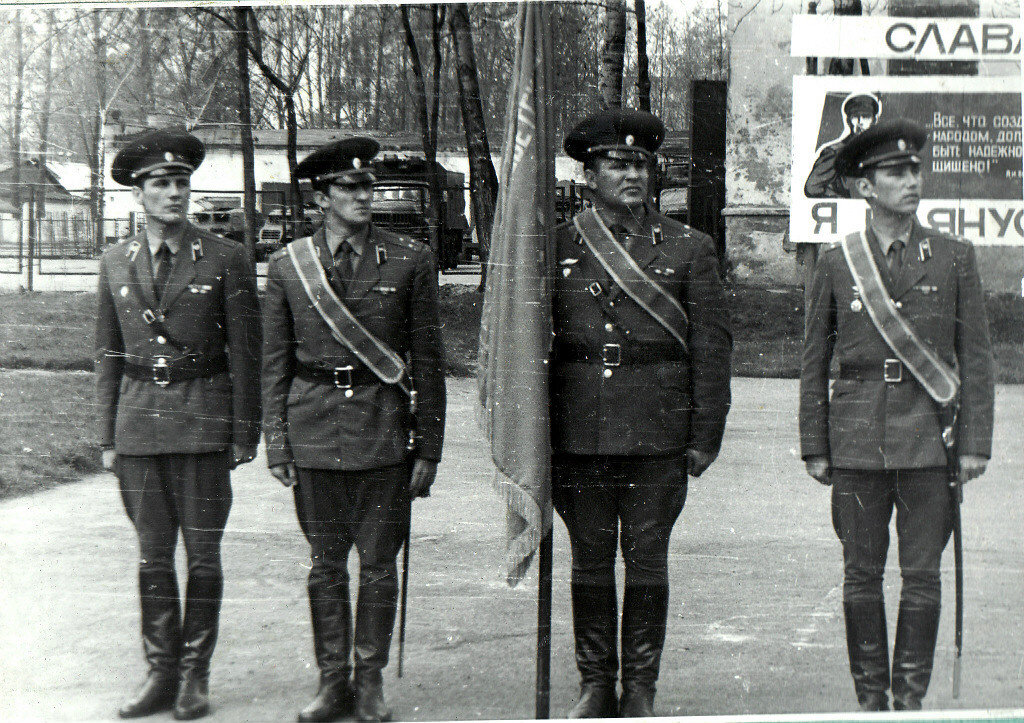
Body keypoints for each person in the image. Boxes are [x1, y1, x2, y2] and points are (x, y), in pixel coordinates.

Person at [800, 119, 995, 711]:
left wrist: (974, 443)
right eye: (895, 172)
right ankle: (871, 702)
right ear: (864, 187)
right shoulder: (837, 263)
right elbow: (814, 360)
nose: (911, 181)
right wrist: (814, 442)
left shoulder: (955, 258)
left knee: (922, 575)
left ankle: (908, 703)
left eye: (915, 170)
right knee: (861, 575)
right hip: (856, 437)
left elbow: (977, 358)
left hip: (930, 440)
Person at [551, 108, 732, 718]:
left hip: (658, 429)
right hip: (577, 430)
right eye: (616, 163)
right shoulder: (556, 245)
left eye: (641, 163)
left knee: (648, 559)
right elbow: (528, 343)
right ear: (589, 172)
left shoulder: (690, 247)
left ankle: (641, 690)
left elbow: (711, 347)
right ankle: (596, 683)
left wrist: (705, 433)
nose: (631, 174)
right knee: (591, 559)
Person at [262, 137, 446, 723]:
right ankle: (330, 681)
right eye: (350, 187)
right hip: (313, 425)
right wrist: (277, 440)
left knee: (378, 564)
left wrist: (430, 445)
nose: (364, 196)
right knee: (324, 563)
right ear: (322, 197)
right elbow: (274, 361)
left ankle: (369, 682)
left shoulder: (409, 258)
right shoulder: (290, 264)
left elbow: (429, 360)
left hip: (383, 428)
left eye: (369, 186)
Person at [96, 128, 262, 720]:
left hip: (202, 424)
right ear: (138, 194)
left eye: (180, 183)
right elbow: (108, 354)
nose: (173, 193)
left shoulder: (224, 258)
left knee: (204, 556)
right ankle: (159, 673)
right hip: (139, 427)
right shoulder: (115, 260)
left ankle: (195, 675)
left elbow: (246, 351)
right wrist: (107, 435)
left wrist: (245, 433)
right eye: (161, 184)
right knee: (151, 556)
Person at [804, 92, 881, 199]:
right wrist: (842, 201)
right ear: (849, 121)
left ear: (874, 120)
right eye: (855, 117)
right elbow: (812, 187)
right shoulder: (836, 151)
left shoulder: (882, 150)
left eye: (866, 116)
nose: (860, 122)